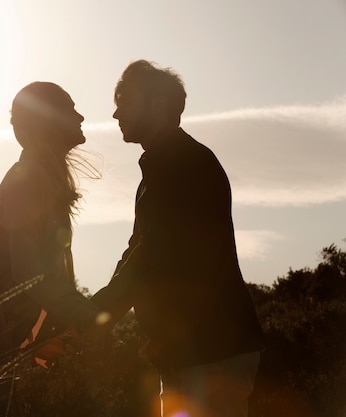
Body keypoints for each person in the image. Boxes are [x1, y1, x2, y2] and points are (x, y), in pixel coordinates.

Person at [89, 60, 266, 417]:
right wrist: (97, 313)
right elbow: (138, 249)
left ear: (157, 104)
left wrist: (98, 316)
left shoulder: (184, 165)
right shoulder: (160, 168)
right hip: (190, 354)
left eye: (124, 100)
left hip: (212, 352)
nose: (114, 112)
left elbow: (152, 254)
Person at [0, 82, 104, 417]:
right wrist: (89, 317)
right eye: (71, 109)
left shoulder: (41, 176)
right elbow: (29, 272)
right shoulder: (28, 179)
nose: (81, 115)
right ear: (49, 120)